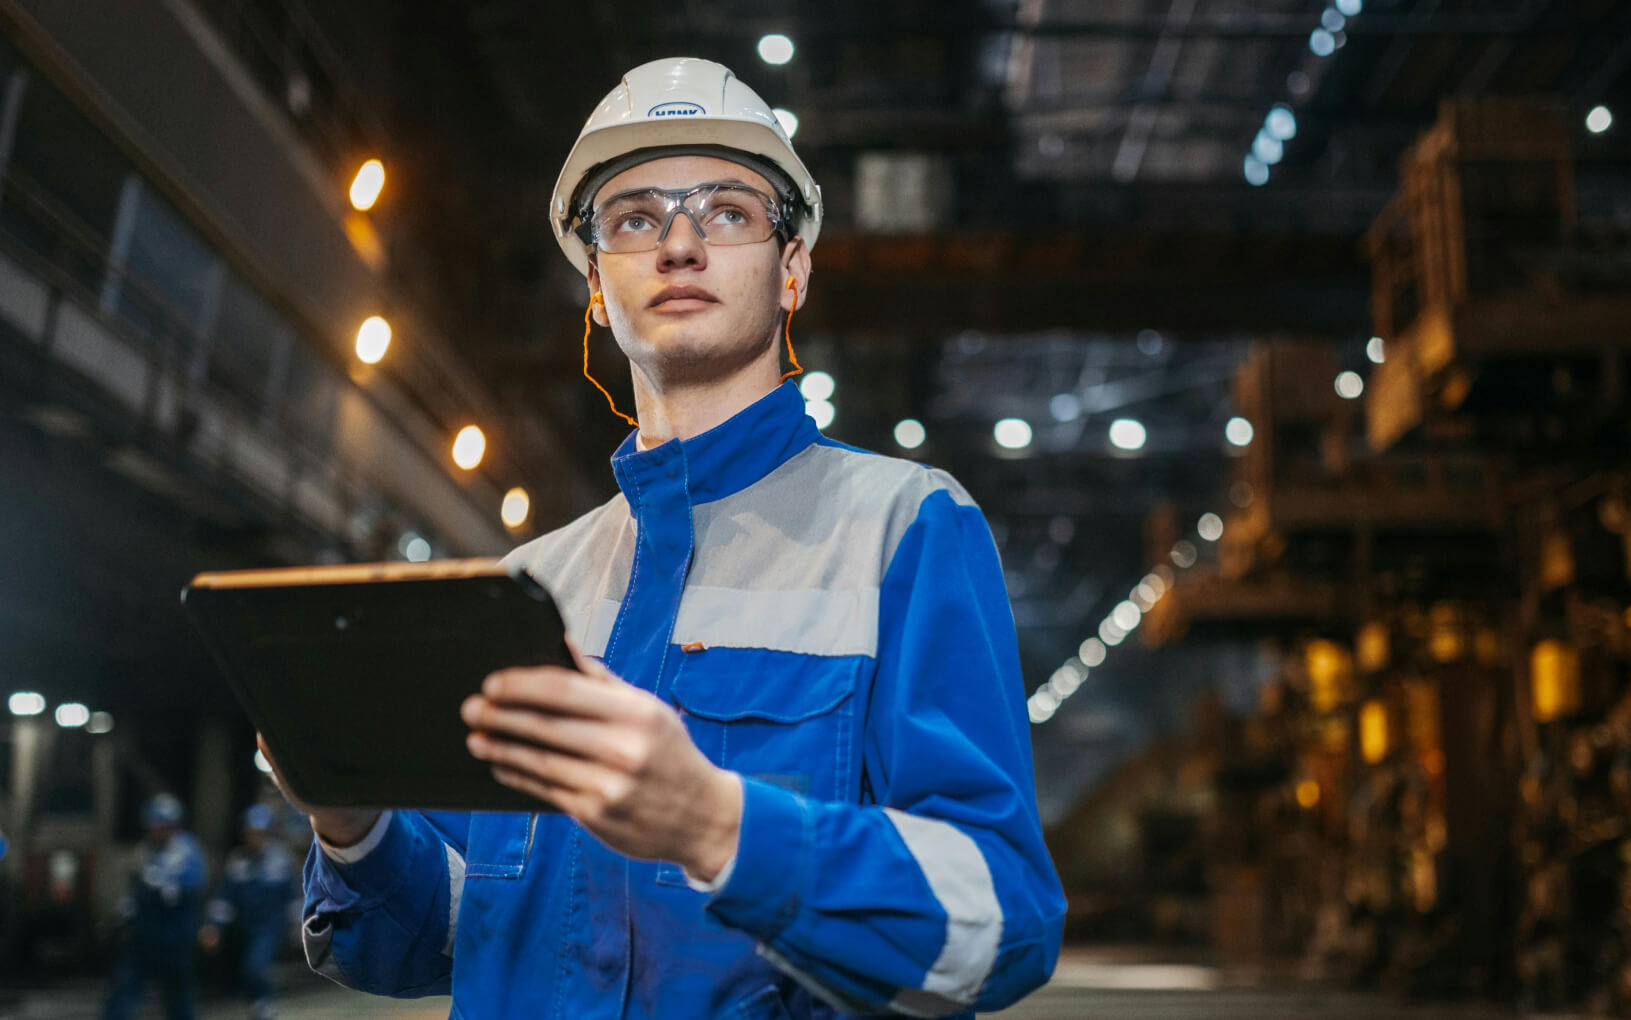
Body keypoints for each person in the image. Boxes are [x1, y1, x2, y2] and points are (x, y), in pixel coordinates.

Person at [278, 56, 1065, 1017]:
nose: (679, 243)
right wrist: (349, 815)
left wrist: (721, 829)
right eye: (636, 218)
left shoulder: (905, 529)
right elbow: (445, 936)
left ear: (794, 270)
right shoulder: (527, 585)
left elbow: (1003, 920)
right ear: (598, 289)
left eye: (727, 211)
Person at [104, 793, 206, 1020]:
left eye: (162, 826)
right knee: (124, 990)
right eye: (153, 826)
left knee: (178, 997)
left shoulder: (188, 851)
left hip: (175, 937)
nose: (156, 831)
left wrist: (157, 884)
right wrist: (123, 912)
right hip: (143, 936)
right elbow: (136, 891)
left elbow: (189, 888)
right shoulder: (145, 851)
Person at [201, 804, 296, 1020]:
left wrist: (299, 926)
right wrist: (213, 926)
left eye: (261, 834)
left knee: (255, 967)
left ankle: (264, 1008)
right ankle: (257, 1005)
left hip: (270, 927)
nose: (256, 839)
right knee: (241, 971)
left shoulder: (281, 861)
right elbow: (225, 897)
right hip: (243, 928)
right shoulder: (238, 861)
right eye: (251, 834)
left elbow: (294, 896)